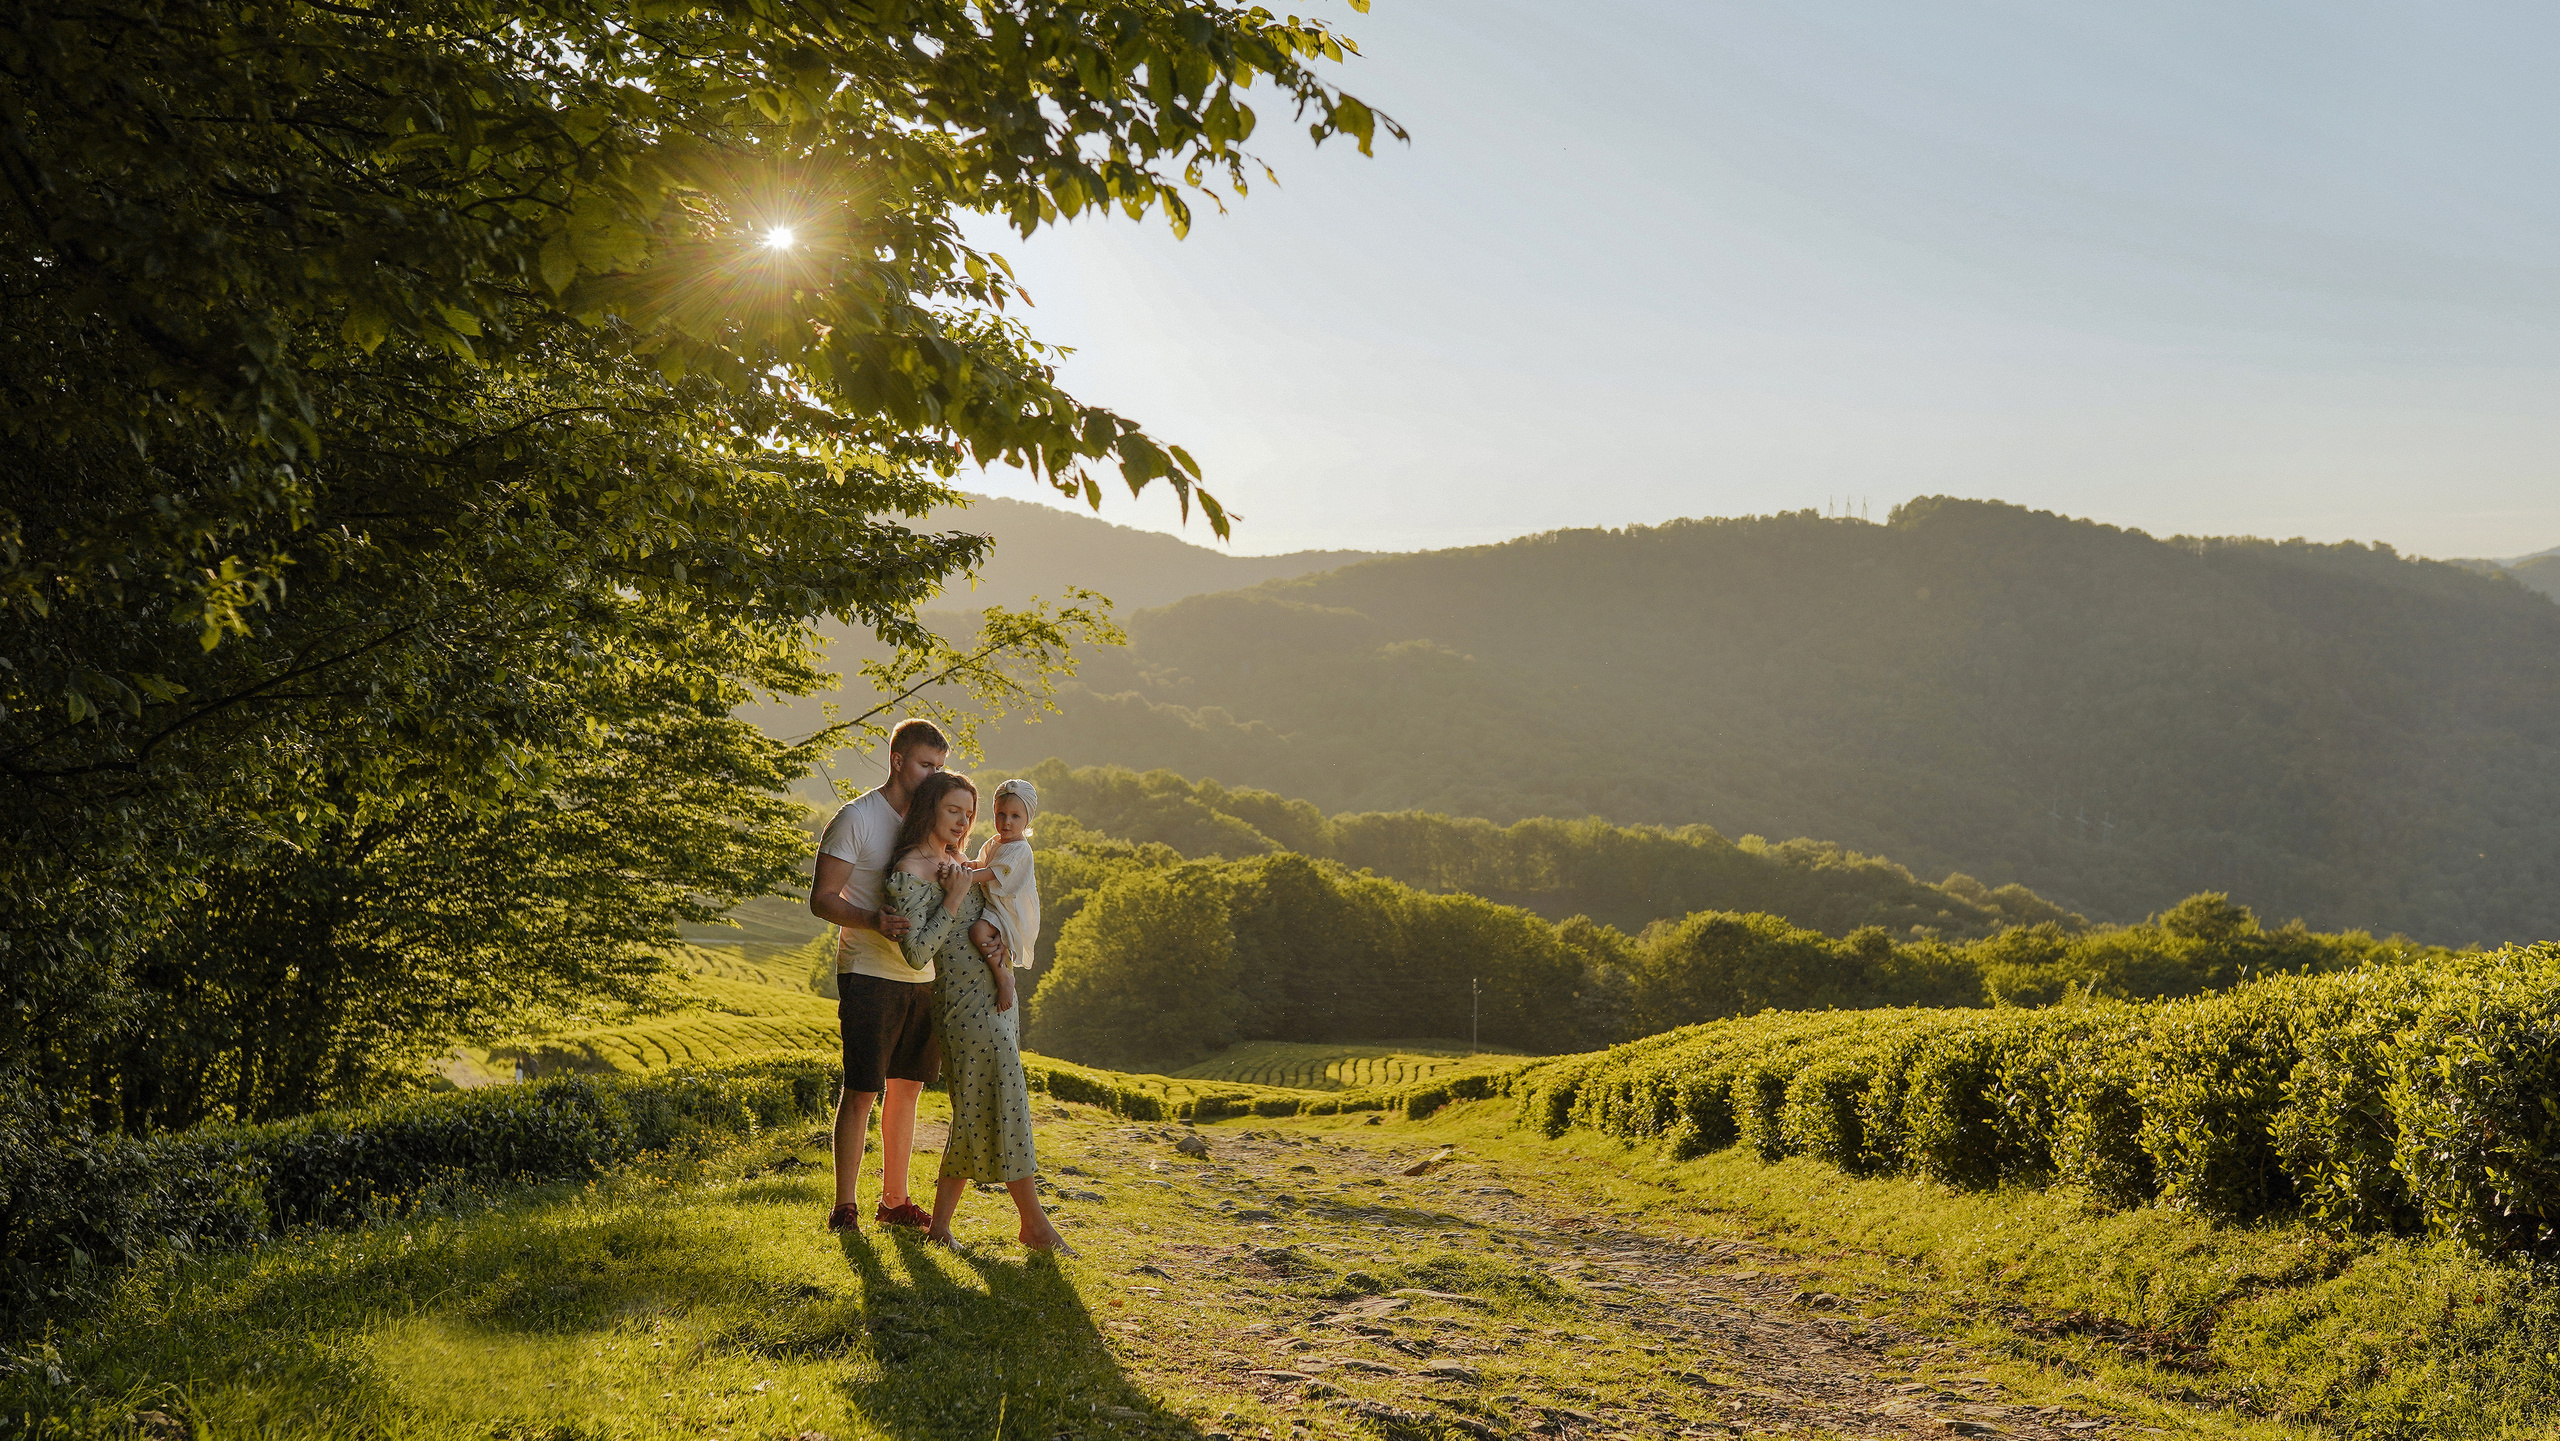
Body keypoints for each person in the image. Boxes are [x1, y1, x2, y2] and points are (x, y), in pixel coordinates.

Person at [808, 719, 1008, 1234]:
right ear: (897, 760)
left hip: (925, 980)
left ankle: (894, 1200)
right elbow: (823, 899)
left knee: (909, 1089)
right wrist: (872, 920)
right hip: (870, 970)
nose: (933, 775)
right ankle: (845, 1205)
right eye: (925, 765)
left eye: (940, 767)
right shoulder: (858, 818)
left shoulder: (936, 824)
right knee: (862, 1089)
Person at [881, 770, 1068, 1255]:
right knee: (999, 1104)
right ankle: (1034, 1224)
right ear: (930, 810)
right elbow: (919, 953)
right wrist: (958, 896)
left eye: (969, 813)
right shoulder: (908, 871)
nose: (965, 822)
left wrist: (1002, 969)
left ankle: (943, 1226)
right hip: (965, 1008)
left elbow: (1001, 904)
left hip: (996, 999)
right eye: (954, 811)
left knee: (988, 1107)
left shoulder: (958, 859)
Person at [966, 778, 1041, 985]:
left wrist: (966, 878)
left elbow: (992, 873)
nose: (1006, 821)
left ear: (1027, 820)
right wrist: (970, 865)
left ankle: (1003, 976)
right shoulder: (996, 841)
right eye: (1001, 814)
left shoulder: (1019, 849)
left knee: (978, 931)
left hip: (1008, 909)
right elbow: (983, 863)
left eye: (1015, 816)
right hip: (994, 903)